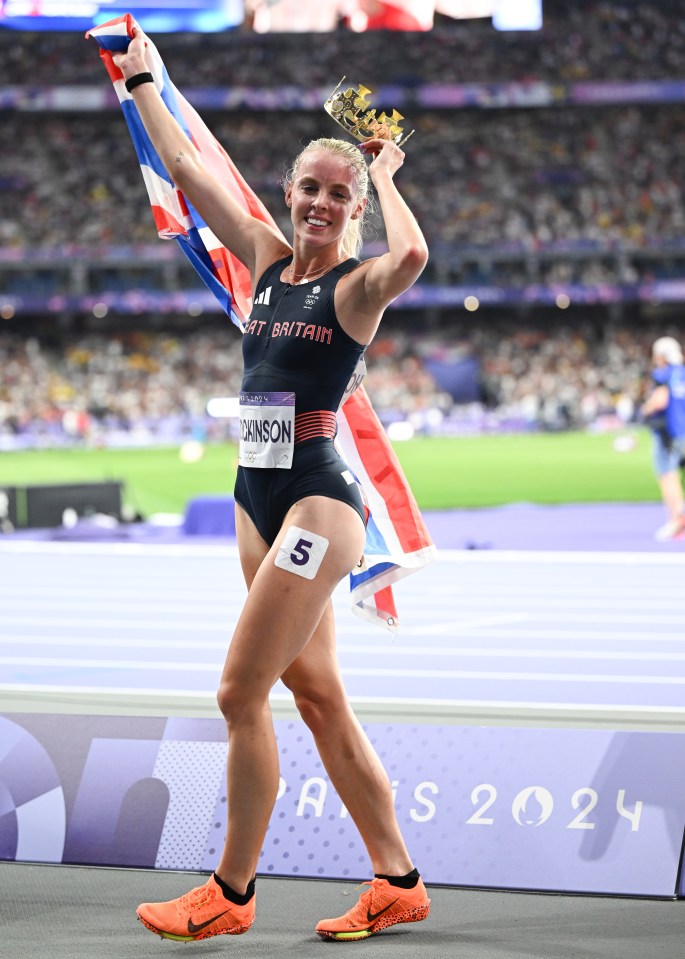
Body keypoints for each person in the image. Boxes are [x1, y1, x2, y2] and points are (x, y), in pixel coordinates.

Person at [112, 29, 431, 944]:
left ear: (353, 207)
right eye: (310, 188)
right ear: (288, 197)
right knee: (320, 697)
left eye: (341, 193)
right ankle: (397, 879)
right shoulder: (258, 255)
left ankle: (231, 892)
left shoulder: (355, 286)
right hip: (257, 495)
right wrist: (140, 81)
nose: (322, 203)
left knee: (236, 693)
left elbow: (410, 261)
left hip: (319, 503)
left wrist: (390, 174)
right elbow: (183, 160)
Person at [640, 335, 685, 541]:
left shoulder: (664, 374)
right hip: (680, 430)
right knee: (673, 474)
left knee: (666, 476)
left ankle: (677, 520)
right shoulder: (682, 373)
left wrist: (645, 409)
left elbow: (660, 400)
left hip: (666, 431)